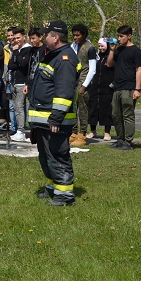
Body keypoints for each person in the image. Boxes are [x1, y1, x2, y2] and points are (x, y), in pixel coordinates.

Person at [28, 20, 79, 206]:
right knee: (46, 155)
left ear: (55, 37)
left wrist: (56, 117)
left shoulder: (65, 59)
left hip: (55, 120)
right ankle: (52, 187)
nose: (43, 38)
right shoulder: (53, 55)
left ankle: (65, 196)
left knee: (57, 155)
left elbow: (64, 92)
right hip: (44, 119)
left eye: (46, 35)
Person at [107, 25, 141, 150]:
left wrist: (137, 89)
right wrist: (112, 50)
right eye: (118, 36)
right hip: (117, 87)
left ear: (129, 36)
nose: (119, 38)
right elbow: (109, 64)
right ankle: (120, 139)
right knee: (115, 114)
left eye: (121, 36)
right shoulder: (118, 50)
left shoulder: (136, 51)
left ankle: (128, 142)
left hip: (129, 87)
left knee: (128, 115)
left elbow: (139, 70)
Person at [69, 23, 97, 146]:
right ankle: (73, 132)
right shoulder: (73, 46)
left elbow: (93, 69)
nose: (75, 37)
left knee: (83, 109)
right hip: (74, 80)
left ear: (84, 35)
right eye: (74, 35)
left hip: (83, 81)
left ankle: (82, 134)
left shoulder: (90, 48)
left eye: (78, 35)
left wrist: (84, 85)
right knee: (73, 107)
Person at [6, 26, 30, 141]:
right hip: (13, 82)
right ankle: (18, 130)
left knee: (20, 107)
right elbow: (10, 65)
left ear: (24, 37)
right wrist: (17, 60)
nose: (16, 40)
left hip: (22, 82)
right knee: (15, 107)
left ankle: (21, 131)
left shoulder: (27, 49)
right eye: (14, 38)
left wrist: (16, 52)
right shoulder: (16, 51)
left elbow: (24, 64)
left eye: (18, 38)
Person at [90, 38, 115, 140]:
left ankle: (107, 132)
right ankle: (92, 131)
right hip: (95, 86)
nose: (100, 48)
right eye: (99, 46)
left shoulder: (111, 56)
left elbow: (113, 68)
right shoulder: (96, 57)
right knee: (93, 108)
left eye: (102, 46)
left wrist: (112, 84)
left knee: (107, 109)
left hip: (107, 87)